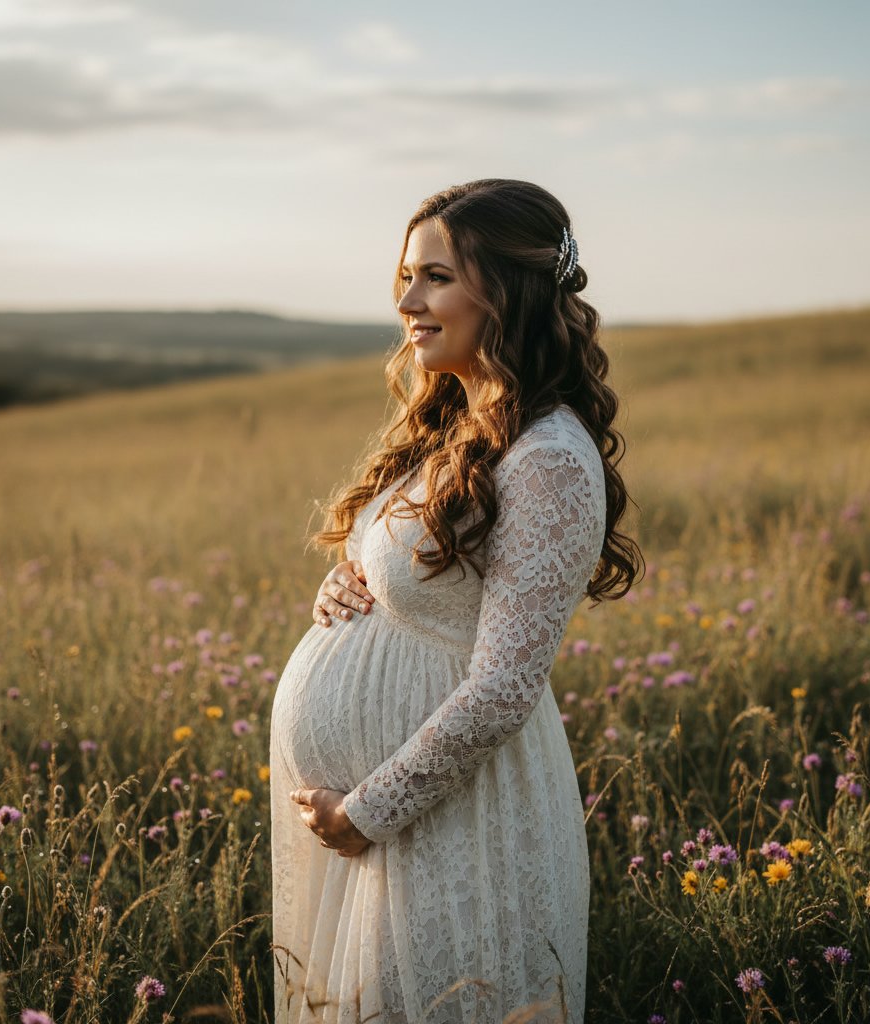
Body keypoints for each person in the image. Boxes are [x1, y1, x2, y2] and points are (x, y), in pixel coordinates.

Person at [269, 179, 641, 1023]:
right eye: (406, 276)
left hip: (453, 821)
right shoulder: (452, 427)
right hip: (384, 829)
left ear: (507, 290)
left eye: (435, 277)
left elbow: (506, 684)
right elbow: (425, 585)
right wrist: (352, 581)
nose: (408, 302)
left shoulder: (548, 458)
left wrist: (368, 811)